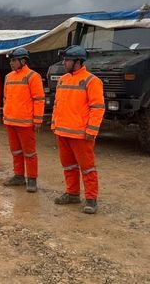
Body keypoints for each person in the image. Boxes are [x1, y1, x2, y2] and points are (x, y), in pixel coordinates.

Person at [51, 45, 105, 214]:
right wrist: (54, 124)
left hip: (81, 134)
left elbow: (97, 107)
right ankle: (72, 193)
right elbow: (57, 105)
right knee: (68, 166)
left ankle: (91, 199)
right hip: (63, 132)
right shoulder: (63, 80)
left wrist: (92, 130)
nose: (64, 63)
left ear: (77, 61)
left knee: (87, 168)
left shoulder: (92, 81)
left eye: (67, 60)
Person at [2, 48, 45, 192]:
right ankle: (19, 176)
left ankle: (31, 180)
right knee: (16, 151)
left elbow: (38, 99)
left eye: (14, 60)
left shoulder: (33, 76)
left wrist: (37, 120)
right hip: (11, 121)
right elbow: (6, 98)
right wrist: (5, 116)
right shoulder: (8, 77)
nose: (11, 63)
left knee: (30, 153)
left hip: (25, 123)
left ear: (23, 61)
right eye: (11, 60)